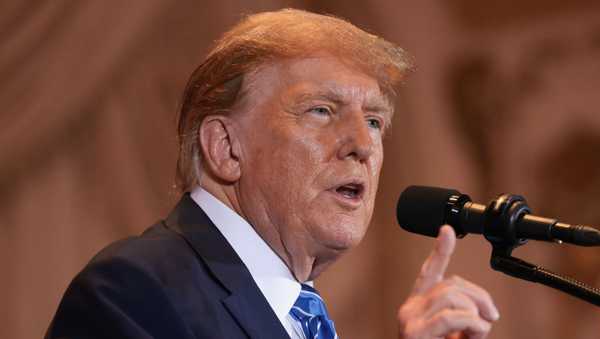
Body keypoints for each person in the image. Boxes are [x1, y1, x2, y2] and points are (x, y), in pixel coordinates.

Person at [46, 8, 499, 339]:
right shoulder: (136, 290)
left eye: (376, 122)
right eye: (321, 111)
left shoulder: (295, 312)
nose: (364, 145)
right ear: (226, 148)